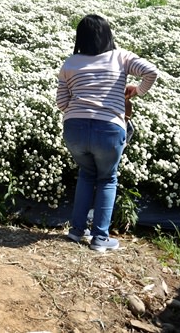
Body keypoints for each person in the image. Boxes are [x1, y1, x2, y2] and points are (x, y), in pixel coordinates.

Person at [57, 14, 157, 252]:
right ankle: (100, 238)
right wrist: (137, 90)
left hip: (75, 129)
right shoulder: (120, 57)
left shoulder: (70, 63)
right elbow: (151, 72)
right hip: (109, 130)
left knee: (86, 174)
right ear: (108, 35)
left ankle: (76, 231)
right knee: (107, 179)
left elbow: (62, 103)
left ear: (79, 37)